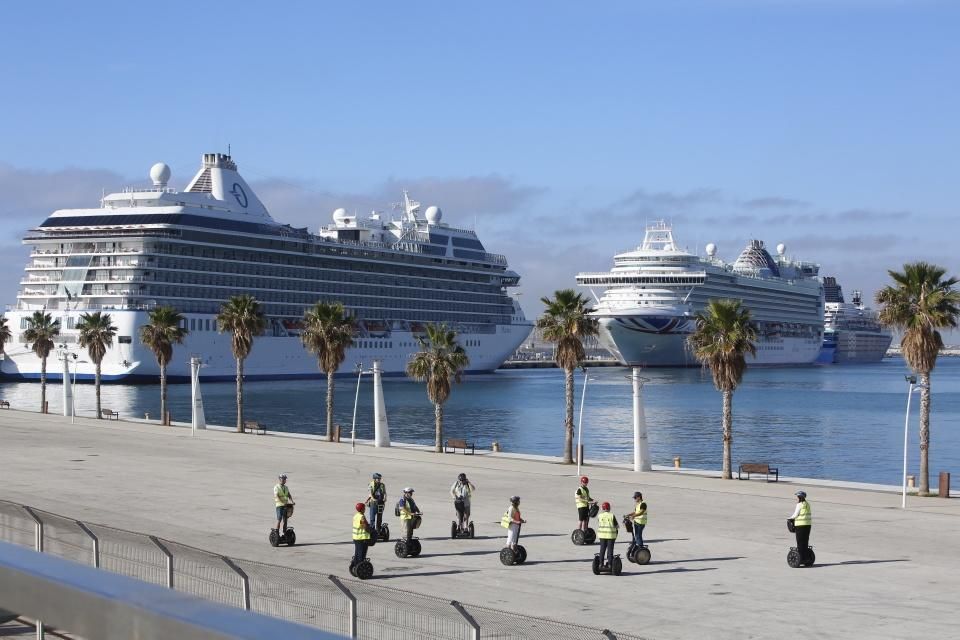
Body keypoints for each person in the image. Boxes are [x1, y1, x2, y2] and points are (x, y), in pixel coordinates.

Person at [789, 490, 812, 557]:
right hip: (808, 525)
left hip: (800, 526)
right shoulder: (807, 504)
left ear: (799, 497)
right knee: (805, 541)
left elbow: (795, 515)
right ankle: (806, 556)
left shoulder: (799, 504)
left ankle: (801, 557)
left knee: (800, 541)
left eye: (797, 497)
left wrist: (789, 518)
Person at [596, 501, 619, 567]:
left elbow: (599, 523)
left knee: (602, 549)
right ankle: (609, 564)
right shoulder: (612, 515)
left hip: (602, 535)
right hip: (611, 535)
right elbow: (616, 526)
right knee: (610, 550)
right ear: (609, 508)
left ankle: (600, 564)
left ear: (602, 508)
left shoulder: (599, 516)